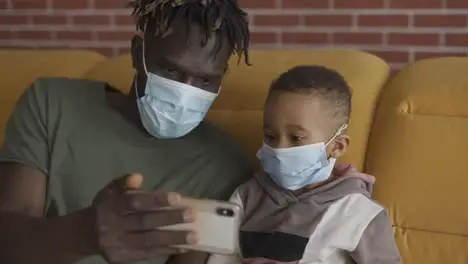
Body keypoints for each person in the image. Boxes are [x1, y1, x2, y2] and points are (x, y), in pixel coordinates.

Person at [0, 0, 253, 263]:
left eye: (205, 80)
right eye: (170, 70)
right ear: (137, 53)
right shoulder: (51, 104)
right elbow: (6, 243)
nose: (184, 93)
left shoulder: (227, 167)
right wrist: (84, 233)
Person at [176, 65, 402, 264]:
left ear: (338, 146)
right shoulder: (246, 197)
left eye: (296, 138)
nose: (280, 148)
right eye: (270, 136)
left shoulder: (359, 213)